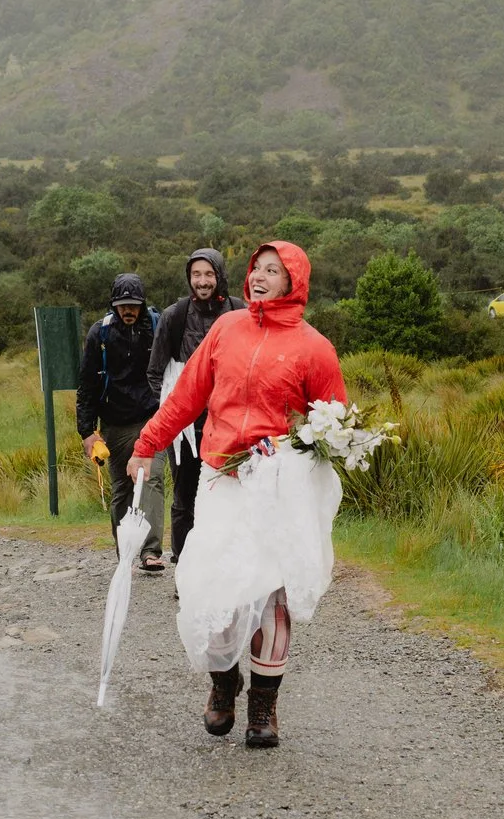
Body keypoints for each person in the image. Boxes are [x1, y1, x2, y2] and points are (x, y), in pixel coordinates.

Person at [128, 241, 344, 749]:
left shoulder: (315, 348)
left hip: (277, 489)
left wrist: (303, 452)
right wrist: (147, 445)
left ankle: (263, 707)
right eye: (256, 269)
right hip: (221, 477)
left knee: (269, 594)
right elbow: (186, 397)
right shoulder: (226, 329)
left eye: (274, 270)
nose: (260, 277)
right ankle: (224, 684)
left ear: (294, 282)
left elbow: (334, 423)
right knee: (213, 586)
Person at [145, 248, 243, 566]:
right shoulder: (175, 316)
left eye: (209, 274)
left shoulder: (238, 312)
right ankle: (185, 568)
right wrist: (175, 412)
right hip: (186, 429)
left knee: (228, 496)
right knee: (185, 498)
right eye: (196, 274)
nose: (202, 281)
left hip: (229, 425)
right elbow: (155, 373)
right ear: (189, 277)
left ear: (220, 276)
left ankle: (225, 567)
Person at [76, 272, 166, 571]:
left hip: (152, 418)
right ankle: (126, 551)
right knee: (122, 490)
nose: (128, 310)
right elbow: (87, 386)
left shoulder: (157, 328)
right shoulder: (99, 335)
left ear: (142, 305)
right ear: (113, 305)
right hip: (114, 422)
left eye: (134, 305)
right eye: (122, 305)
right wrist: (88, 432)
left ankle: (151, 552)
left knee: (151, 478)